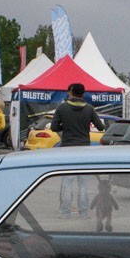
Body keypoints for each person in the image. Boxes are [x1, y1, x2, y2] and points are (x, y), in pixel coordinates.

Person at [52, 83, 105, 218]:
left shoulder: (62, 107)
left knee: (67, 181)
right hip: (84, 149)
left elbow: (54, 127)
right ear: (83, 93)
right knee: (83, 182)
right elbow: (100, 127)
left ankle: (65, 212)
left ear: (71, 91)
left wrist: (66, 126)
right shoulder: (89, 108)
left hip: (67, 148)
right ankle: (84, 212)